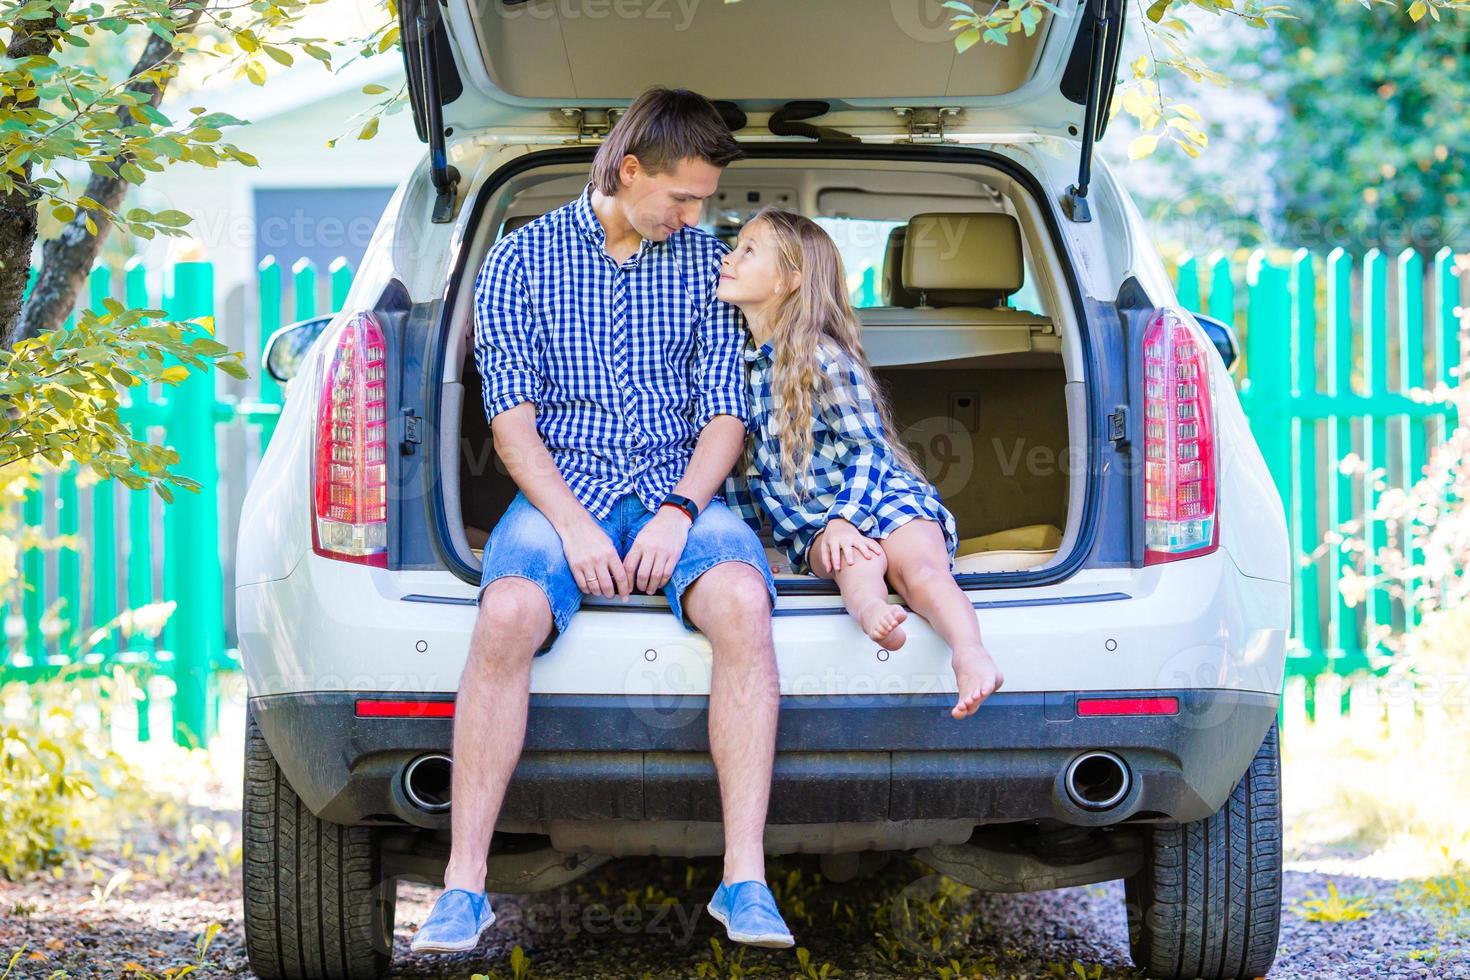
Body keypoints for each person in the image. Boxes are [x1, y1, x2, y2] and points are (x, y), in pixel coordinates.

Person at [410, 89, 795, 954]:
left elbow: (724, 415)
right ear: (628, 171)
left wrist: (678, 510)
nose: (697, 216)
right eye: (682, 197)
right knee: (505, 613)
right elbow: (510, 421)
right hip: (560, 492)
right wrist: (578, 527)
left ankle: (745, 882)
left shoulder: (704, 265)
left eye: (703, 200)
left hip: (676, 488)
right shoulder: (518, 262)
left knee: (742, 601)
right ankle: (462, 889)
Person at [717, 206, 1004, 721]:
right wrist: (761, 545)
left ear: (788, 280)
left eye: (747, 250)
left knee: (922, 571)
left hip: (880, 494)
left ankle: (969, 651)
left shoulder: (821, 358)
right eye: (735, 247)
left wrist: (847, 516)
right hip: (817, 528)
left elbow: (869, 448)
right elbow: (744, 476)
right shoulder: (731, 366)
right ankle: (875, 613)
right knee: (853, 563)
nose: (729, 257)